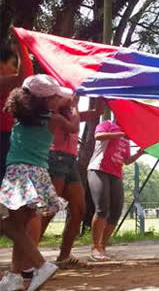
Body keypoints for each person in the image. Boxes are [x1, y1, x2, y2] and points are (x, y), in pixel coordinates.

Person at [0, 74, 73, 291]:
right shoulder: (53, 120)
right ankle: (13, 276)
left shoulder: (19, 119)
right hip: (39, 174)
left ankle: (41, 265)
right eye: (54, 97)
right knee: (19, 226)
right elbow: (71, 125)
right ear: (44, 101)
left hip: (20, 173)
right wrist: (73, 107)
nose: (57, 101)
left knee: (7, 225)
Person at [35, 95, 104, 266]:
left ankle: (64, 256)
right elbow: (73, 127)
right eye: (70, 95)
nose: (75, 97)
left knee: (79, 209)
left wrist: (101, 93)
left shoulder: (73, 112)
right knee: (49, 210)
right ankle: (29, 257)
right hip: (55, 158)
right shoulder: (54, 112)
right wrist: (73, 101)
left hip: (70, 161)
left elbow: (98, 112)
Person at [88, 119, 144, 261]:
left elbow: (127, 160)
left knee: (116, 211)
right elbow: (98, 136)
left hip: (116, 174)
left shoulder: (125, 137)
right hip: (99, 169)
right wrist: (121, 134)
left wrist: (140, 153)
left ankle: (103, 247)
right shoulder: (108, 124)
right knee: (102, 208)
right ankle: (95, 247)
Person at [0, 43, 33, 182]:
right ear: (1, 65)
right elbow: (25, 76)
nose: (16, 68)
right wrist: (21, 46)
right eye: (14, 64)